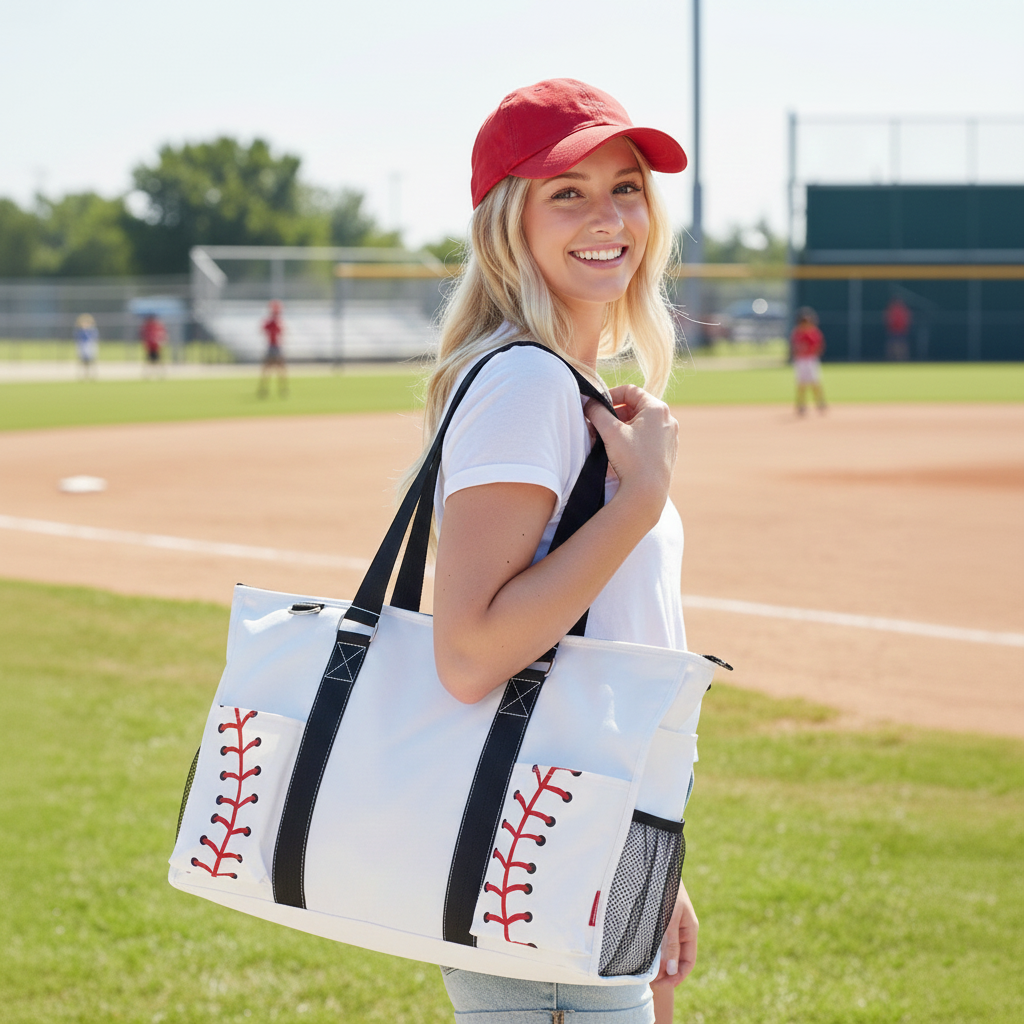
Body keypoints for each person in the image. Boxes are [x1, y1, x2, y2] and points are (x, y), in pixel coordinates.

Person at [403, 78, 696, 1024]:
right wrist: (641, 498)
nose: (608, 216)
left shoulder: (570, 383)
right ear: (508, 223)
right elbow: (472, 651)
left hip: (585, 845)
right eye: (567, 191)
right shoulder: (524, 382)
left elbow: (610, 642)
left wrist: (653, 852)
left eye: (627, 187)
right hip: (538, 859)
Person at [790, 306, 827, 414]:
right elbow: (794, 347)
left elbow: (819, 346)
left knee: (815, 382)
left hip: (811, 359)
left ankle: (820, 402)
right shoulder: (797, 332)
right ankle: (801, 404)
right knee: (801, 384)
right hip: (801, 360)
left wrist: (812, 352)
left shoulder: (814, 332)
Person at [258, 300, 288, 397]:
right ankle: (266, 389)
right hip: (272, 347)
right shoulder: (272, 322)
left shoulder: (276, 322)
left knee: (279, 369)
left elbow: (281, 332)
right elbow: (263, 329)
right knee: (269, 369)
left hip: (275, 347)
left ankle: (281, 389)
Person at [885, 296, 912, 361]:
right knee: (892, 345)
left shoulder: (904, 310)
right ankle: (892, 358)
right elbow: (889, 319)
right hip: (893, 330)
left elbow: (907, 320)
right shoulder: (892, 309)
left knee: (902, 345)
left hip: (902, 330)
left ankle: (902, 358)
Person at [73, 313, 99, 379]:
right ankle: (82, 374)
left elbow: (94, 338)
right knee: (82, 361)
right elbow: (78, 339)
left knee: (92, 360)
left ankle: (93, 374)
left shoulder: (92, 330)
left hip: (90, 346)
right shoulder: (80, 331)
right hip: (83, 346)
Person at [140, 313, 167, 378]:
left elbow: (162, 335)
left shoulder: (157, 326)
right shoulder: (147, 327)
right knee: (149, 361)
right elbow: (144, 336)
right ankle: (147, 374)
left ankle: (161, 374)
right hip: (150, 347)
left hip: (156, 346)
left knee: (158, 360)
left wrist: (162, 342)